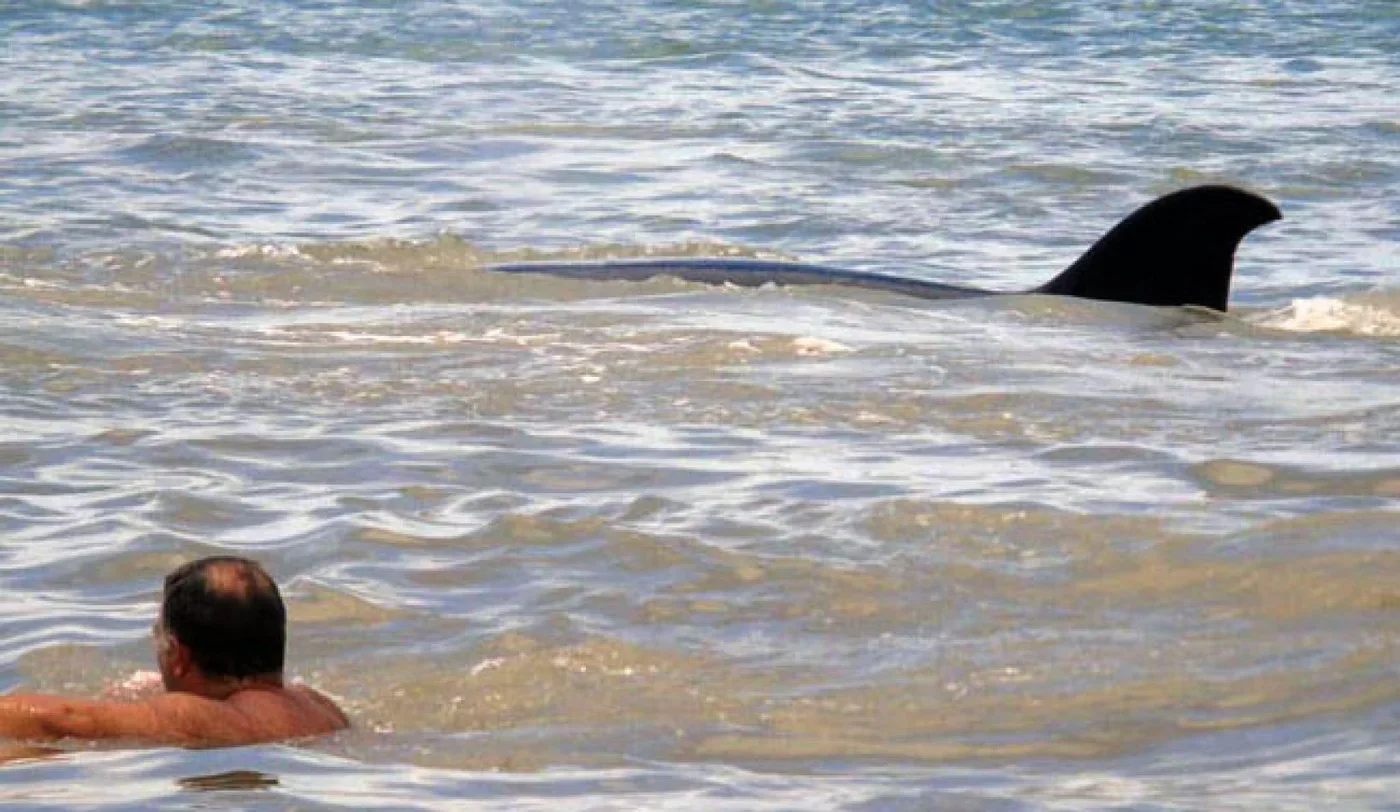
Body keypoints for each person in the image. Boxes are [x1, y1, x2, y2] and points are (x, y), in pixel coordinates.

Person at [0, 556, 348, 747]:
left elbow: (64, 718)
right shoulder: (319, 707)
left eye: (159, 638)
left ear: (179, 656)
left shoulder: (197, 716)